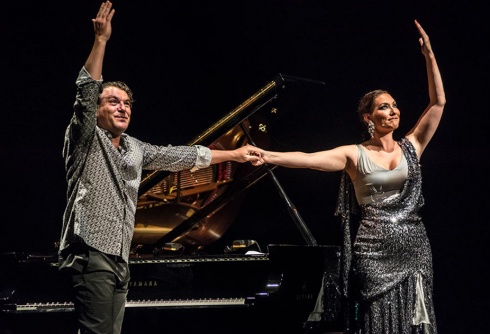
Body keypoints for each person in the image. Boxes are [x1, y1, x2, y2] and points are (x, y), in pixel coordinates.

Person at [58, 2, 261, 333]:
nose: (122, 108)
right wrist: (101, 41)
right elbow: (85, 93)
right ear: (97, 111)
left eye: (126, 103)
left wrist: (235, 156)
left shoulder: (135, 147)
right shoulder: (85, 137)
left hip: (120, 256)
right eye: (112, 102)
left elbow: (182, 157)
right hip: (90, 253)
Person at [251, 20, 445, 334]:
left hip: (414, 250)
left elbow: (438, 103)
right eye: (384, 107)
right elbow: (309, 160)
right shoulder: (354, 154)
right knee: (377, 322)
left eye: (395, 105)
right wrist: (267, 155)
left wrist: (429, 56)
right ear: (369, 118)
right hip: (373, 252)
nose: (393, 110)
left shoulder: (413, 145)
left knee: (414, 321)